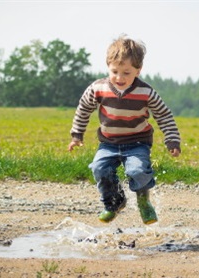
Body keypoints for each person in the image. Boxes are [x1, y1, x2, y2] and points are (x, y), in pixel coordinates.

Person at [68, 35, 181, 225]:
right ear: (108, 66)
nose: (120, 78)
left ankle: (143, 200)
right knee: (99, 168)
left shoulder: (146, 92)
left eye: (126, 73)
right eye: (115, 71)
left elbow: (164, 116)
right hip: (108, 143)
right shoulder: (98, 88)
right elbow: (83, 109)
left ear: (138, 70)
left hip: (137, 143)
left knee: (137, 171)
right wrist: (76, 134)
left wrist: (172, 140)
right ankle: (114, 202)